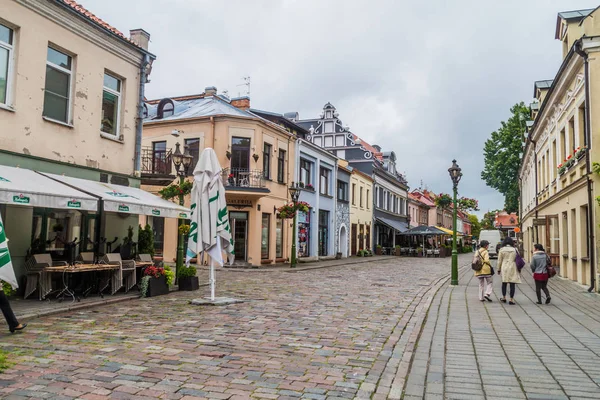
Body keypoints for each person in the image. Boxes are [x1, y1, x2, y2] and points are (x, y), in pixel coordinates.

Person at [497, 236, 521, 305]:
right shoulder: (515, 249)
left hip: (504, 266)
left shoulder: (501, 250)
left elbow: (499, 261)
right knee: (512, 283)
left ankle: (504, 297)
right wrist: (519, 269)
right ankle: (511, 299)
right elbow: (518, 259)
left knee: (504, 282)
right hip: (513, 266)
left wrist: (498, 269)